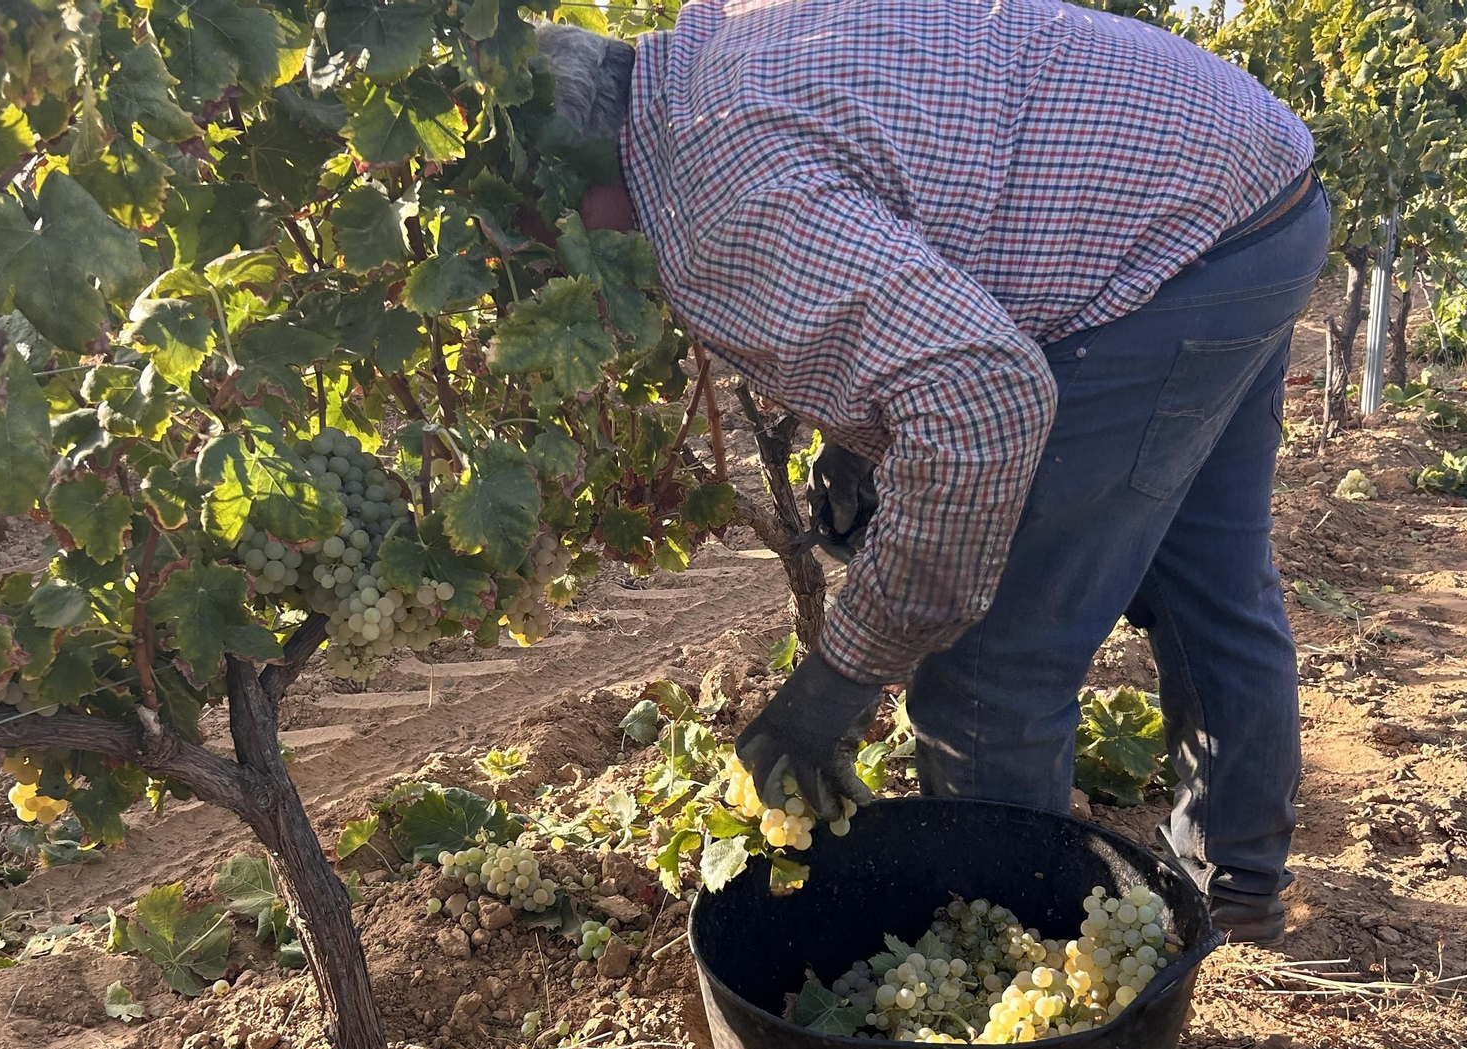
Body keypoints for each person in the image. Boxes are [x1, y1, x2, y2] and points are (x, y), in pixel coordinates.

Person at [536, 0, 1328, 945]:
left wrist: (835, 684)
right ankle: (1236, 885)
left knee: (987, 675)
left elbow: (987, 404)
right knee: (1210, 572)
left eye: (544, 235)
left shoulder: (713, 202)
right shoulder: (708, 60)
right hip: (1249, 189)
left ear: (575, 171)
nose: (560, 266)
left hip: (1168, 245)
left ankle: (1015, 971)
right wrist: (858, 429)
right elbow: (912, 218)